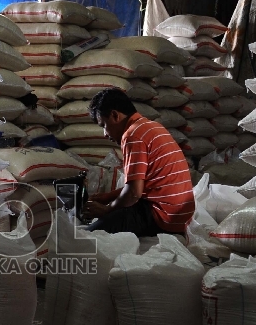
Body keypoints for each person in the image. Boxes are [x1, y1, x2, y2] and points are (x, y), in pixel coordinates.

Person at [82, 88, 195, 237]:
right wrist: (107, 197)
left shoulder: (132, 135)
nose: (105, 134)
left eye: (103, 125)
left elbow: (134, 193)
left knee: (88, 236)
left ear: (115, 115)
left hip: (163, 217)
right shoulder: (152, 127)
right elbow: (141, 186)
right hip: (180, 216)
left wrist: (107, 209)